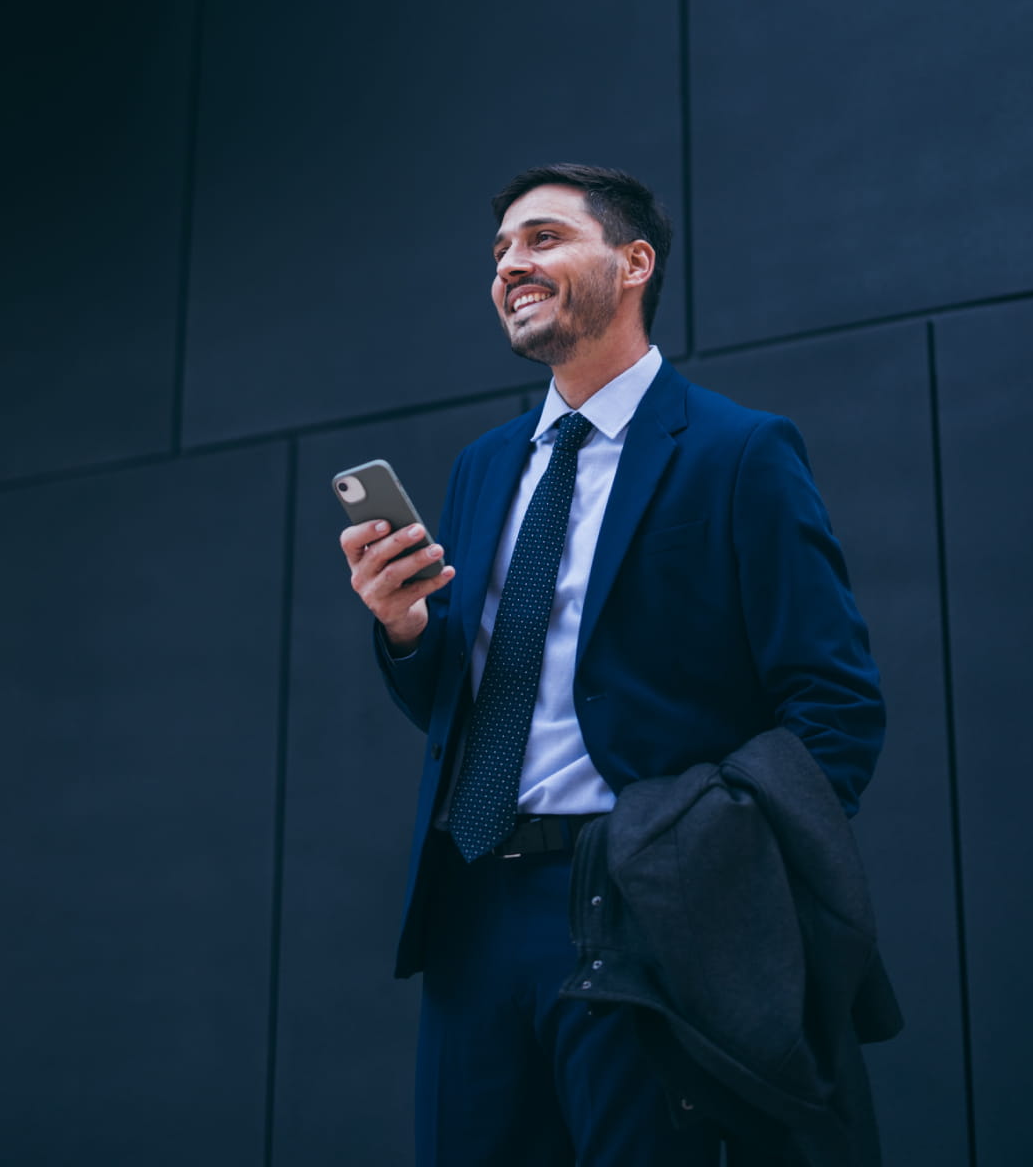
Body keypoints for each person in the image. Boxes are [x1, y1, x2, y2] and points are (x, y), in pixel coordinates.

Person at [338, 164, 884, 1166]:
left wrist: (714, 864)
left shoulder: (738, 451)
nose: (511, 265)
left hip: (644, 906)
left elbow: (837, 704)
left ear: (634, 263)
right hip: (471, 910)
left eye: (541, 238)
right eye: (500, 250)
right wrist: (407, 631)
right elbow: (475, 705)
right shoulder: (484, 466)